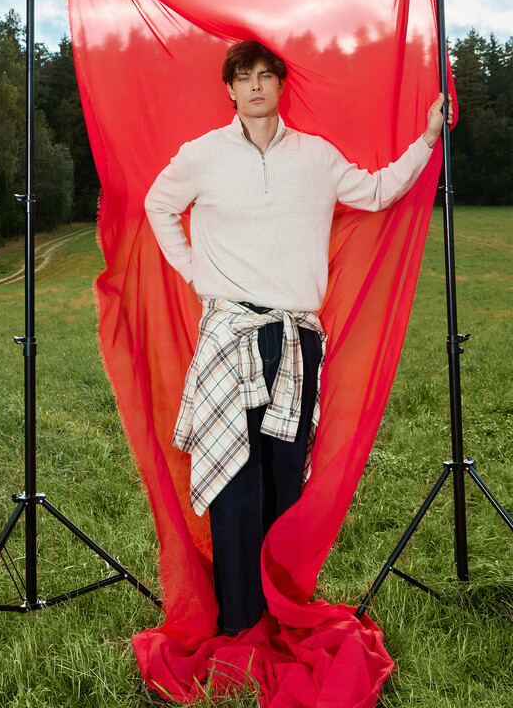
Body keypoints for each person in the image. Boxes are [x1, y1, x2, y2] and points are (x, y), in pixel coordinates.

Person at [145, 40, 452, 636]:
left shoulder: (316, 157)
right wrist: (196, 273)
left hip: (295, 338)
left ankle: (281, 609)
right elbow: (159, 205)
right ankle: (240, 622)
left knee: (284, 480)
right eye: (244, 77)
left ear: (281, 86)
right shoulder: (202, 155)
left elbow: (377, 191)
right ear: (230, 89)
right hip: (232, 336)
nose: (256, 86)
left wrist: (428, 138)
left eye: (266, 75)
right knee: (234, 482)